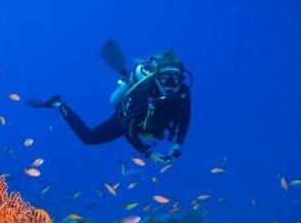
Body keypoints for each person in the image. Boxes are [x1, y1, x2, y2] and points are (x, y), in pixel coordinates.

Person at [26, 39, 192, 163]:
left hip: (148, 126)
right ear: (157, 78)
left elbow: (185, 119)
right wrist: (148, 153)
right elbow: (129, 130)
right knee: (88, 138)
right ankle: (59, 104)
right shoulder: (143, 94)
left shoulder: (183, 94)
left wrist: (178, 144)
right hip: (125, 119)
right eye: (165, 79)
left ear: (181, 79)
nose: (170, 86)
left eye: (175, 80)